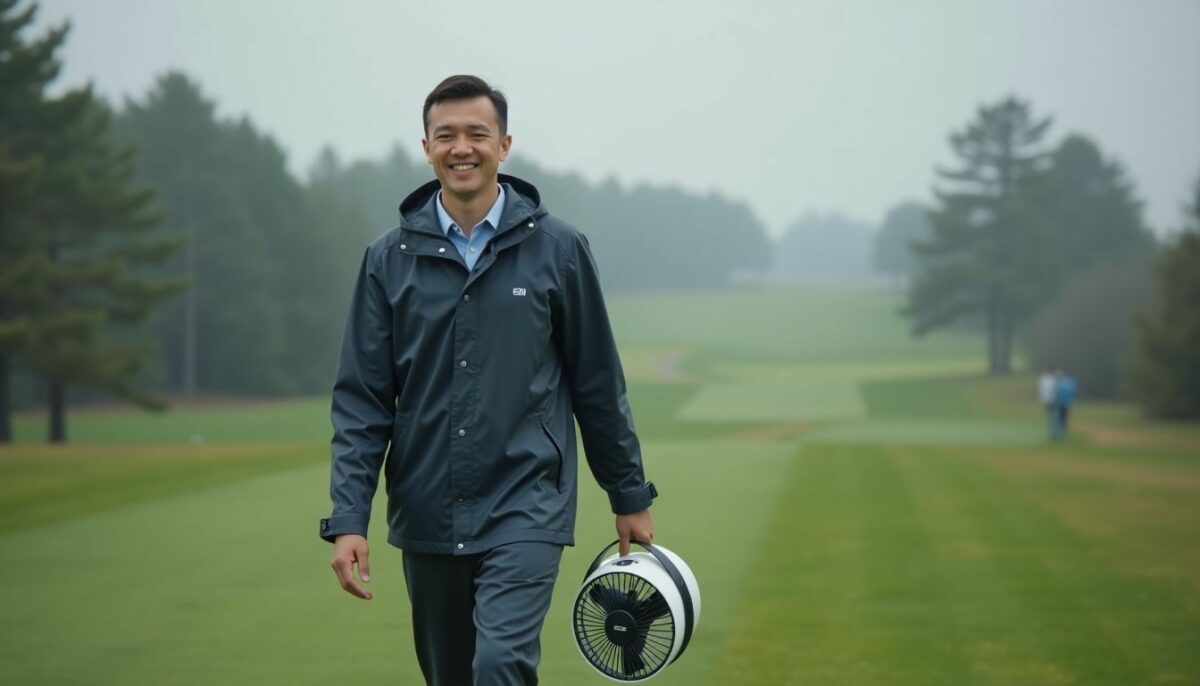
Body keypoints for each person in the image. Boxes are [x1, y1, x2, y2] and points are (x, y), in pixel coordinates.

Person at [318, 74, 657, 686]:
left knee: (500, 664)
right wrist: (348, 518)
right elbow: (363, 404)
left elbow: (597, 382)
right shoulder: (386, 261)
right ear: (426, 147)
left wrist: (628, 494)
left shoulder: (560, 249)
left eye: (477, 134)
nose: (462, 148)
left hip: (528, 502)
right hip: (426, 509)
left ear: (504, 145)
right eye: (446, 135)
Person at [1053, 371, 1078, 440]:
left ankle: (1058, 432)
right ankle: (1063, 433)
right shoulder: (1072, 382)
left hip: (1060, 403)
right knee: (1064, 418)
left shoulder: (1061, 382)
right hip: (1067, 403)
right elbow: (1074, 393)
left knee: (1059, 418)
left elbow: (1057, 392)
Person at [1038, 371, 1057, 438]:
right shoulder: (1052, 379)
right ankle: (1053, 431)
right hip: (1051, 400)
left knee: (1053, 416)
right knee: (1052, 416)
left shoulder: (1047, 379)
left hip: (1050, 400)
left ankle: (1053, 432)